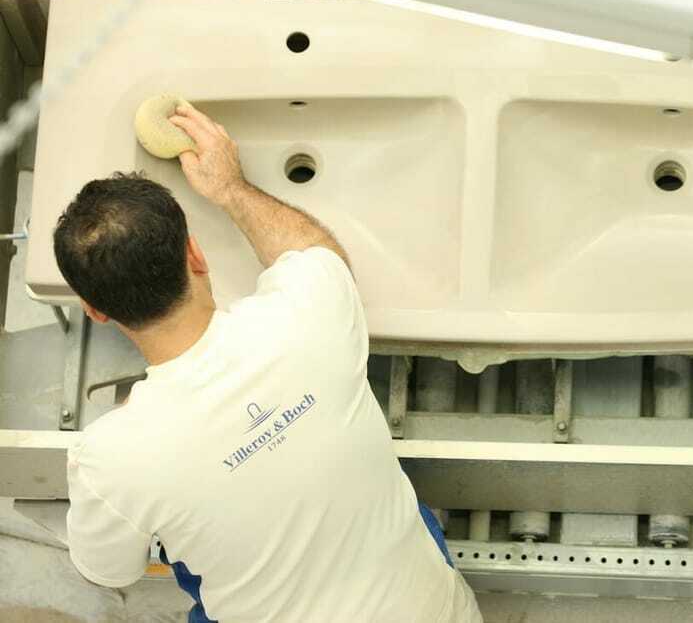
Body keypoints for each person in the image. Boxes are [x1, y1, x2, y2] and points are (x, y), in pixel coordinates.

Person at [53, 105, 482, 622]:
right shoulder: (309, 310)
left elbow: (110, 572)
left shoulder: (109, 459)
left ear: (94, 310)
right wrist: (230, 188)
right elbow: (316, 250)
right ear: (196, 255)